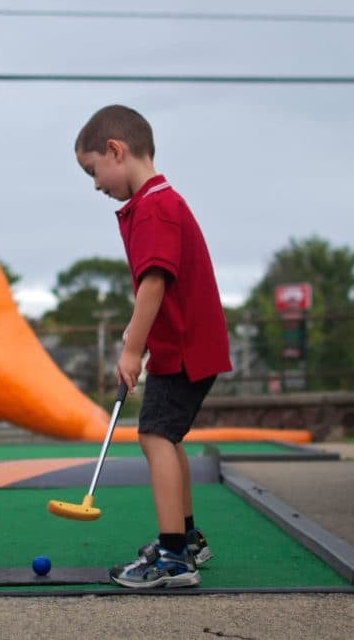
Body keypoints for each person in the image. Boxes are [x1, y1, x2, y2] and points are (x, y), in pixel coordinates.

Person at [74, 105, 232, 588]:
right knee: (168, 436)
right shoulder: (159, 203)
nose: (96, 184)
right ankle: (187, 539)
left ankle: (172, 559)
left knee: (155, 438)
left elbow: (155, 281)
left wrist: (130, 350)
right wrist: (138, 340)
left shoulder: (156, 206)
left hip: (183, 349)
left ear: (116, 151)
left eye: (93, 170)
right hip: (183, 346)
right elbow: (156, 286)